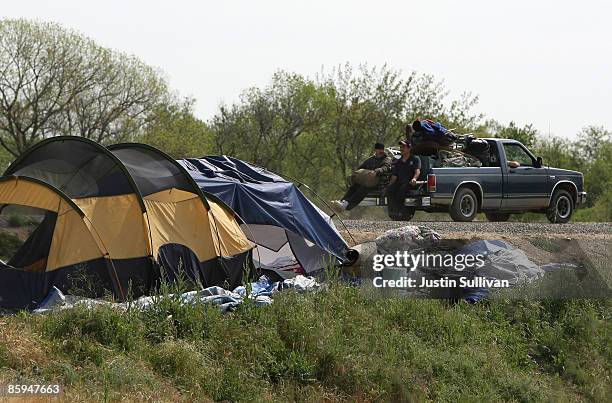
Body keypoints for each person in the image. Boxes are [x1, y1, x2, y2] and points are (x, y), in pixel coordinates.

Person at [332, 143, 392, 211]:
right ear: (375, 150)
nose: (381, 151)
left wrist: (376, 171)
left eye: (382, 149)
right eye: (379, 149)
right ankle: (343, 202)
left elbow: (386, 167)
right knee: (355, 186)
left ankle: (347, 205)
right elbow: (360, 168)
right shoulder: (371, 160)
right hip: (368, 182)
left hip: (379, 184)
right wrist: (354, 175)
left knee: (363, 189)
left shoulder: (387, 159)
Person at [385, 140, 421, 218]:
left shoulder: (415, 159)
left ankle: (401, 212)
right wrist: (389, 186)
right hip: (399, 182)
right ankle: (392, 212)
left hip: (409, 183)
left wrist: (414, 179)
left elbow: (417, 171)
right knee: (390, 190)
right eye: (401, 147)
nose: (401, 149)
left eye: (403, 147)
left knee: (401, 190)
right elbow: (394, 176)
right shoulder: (398, 161)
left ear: (409, 148)